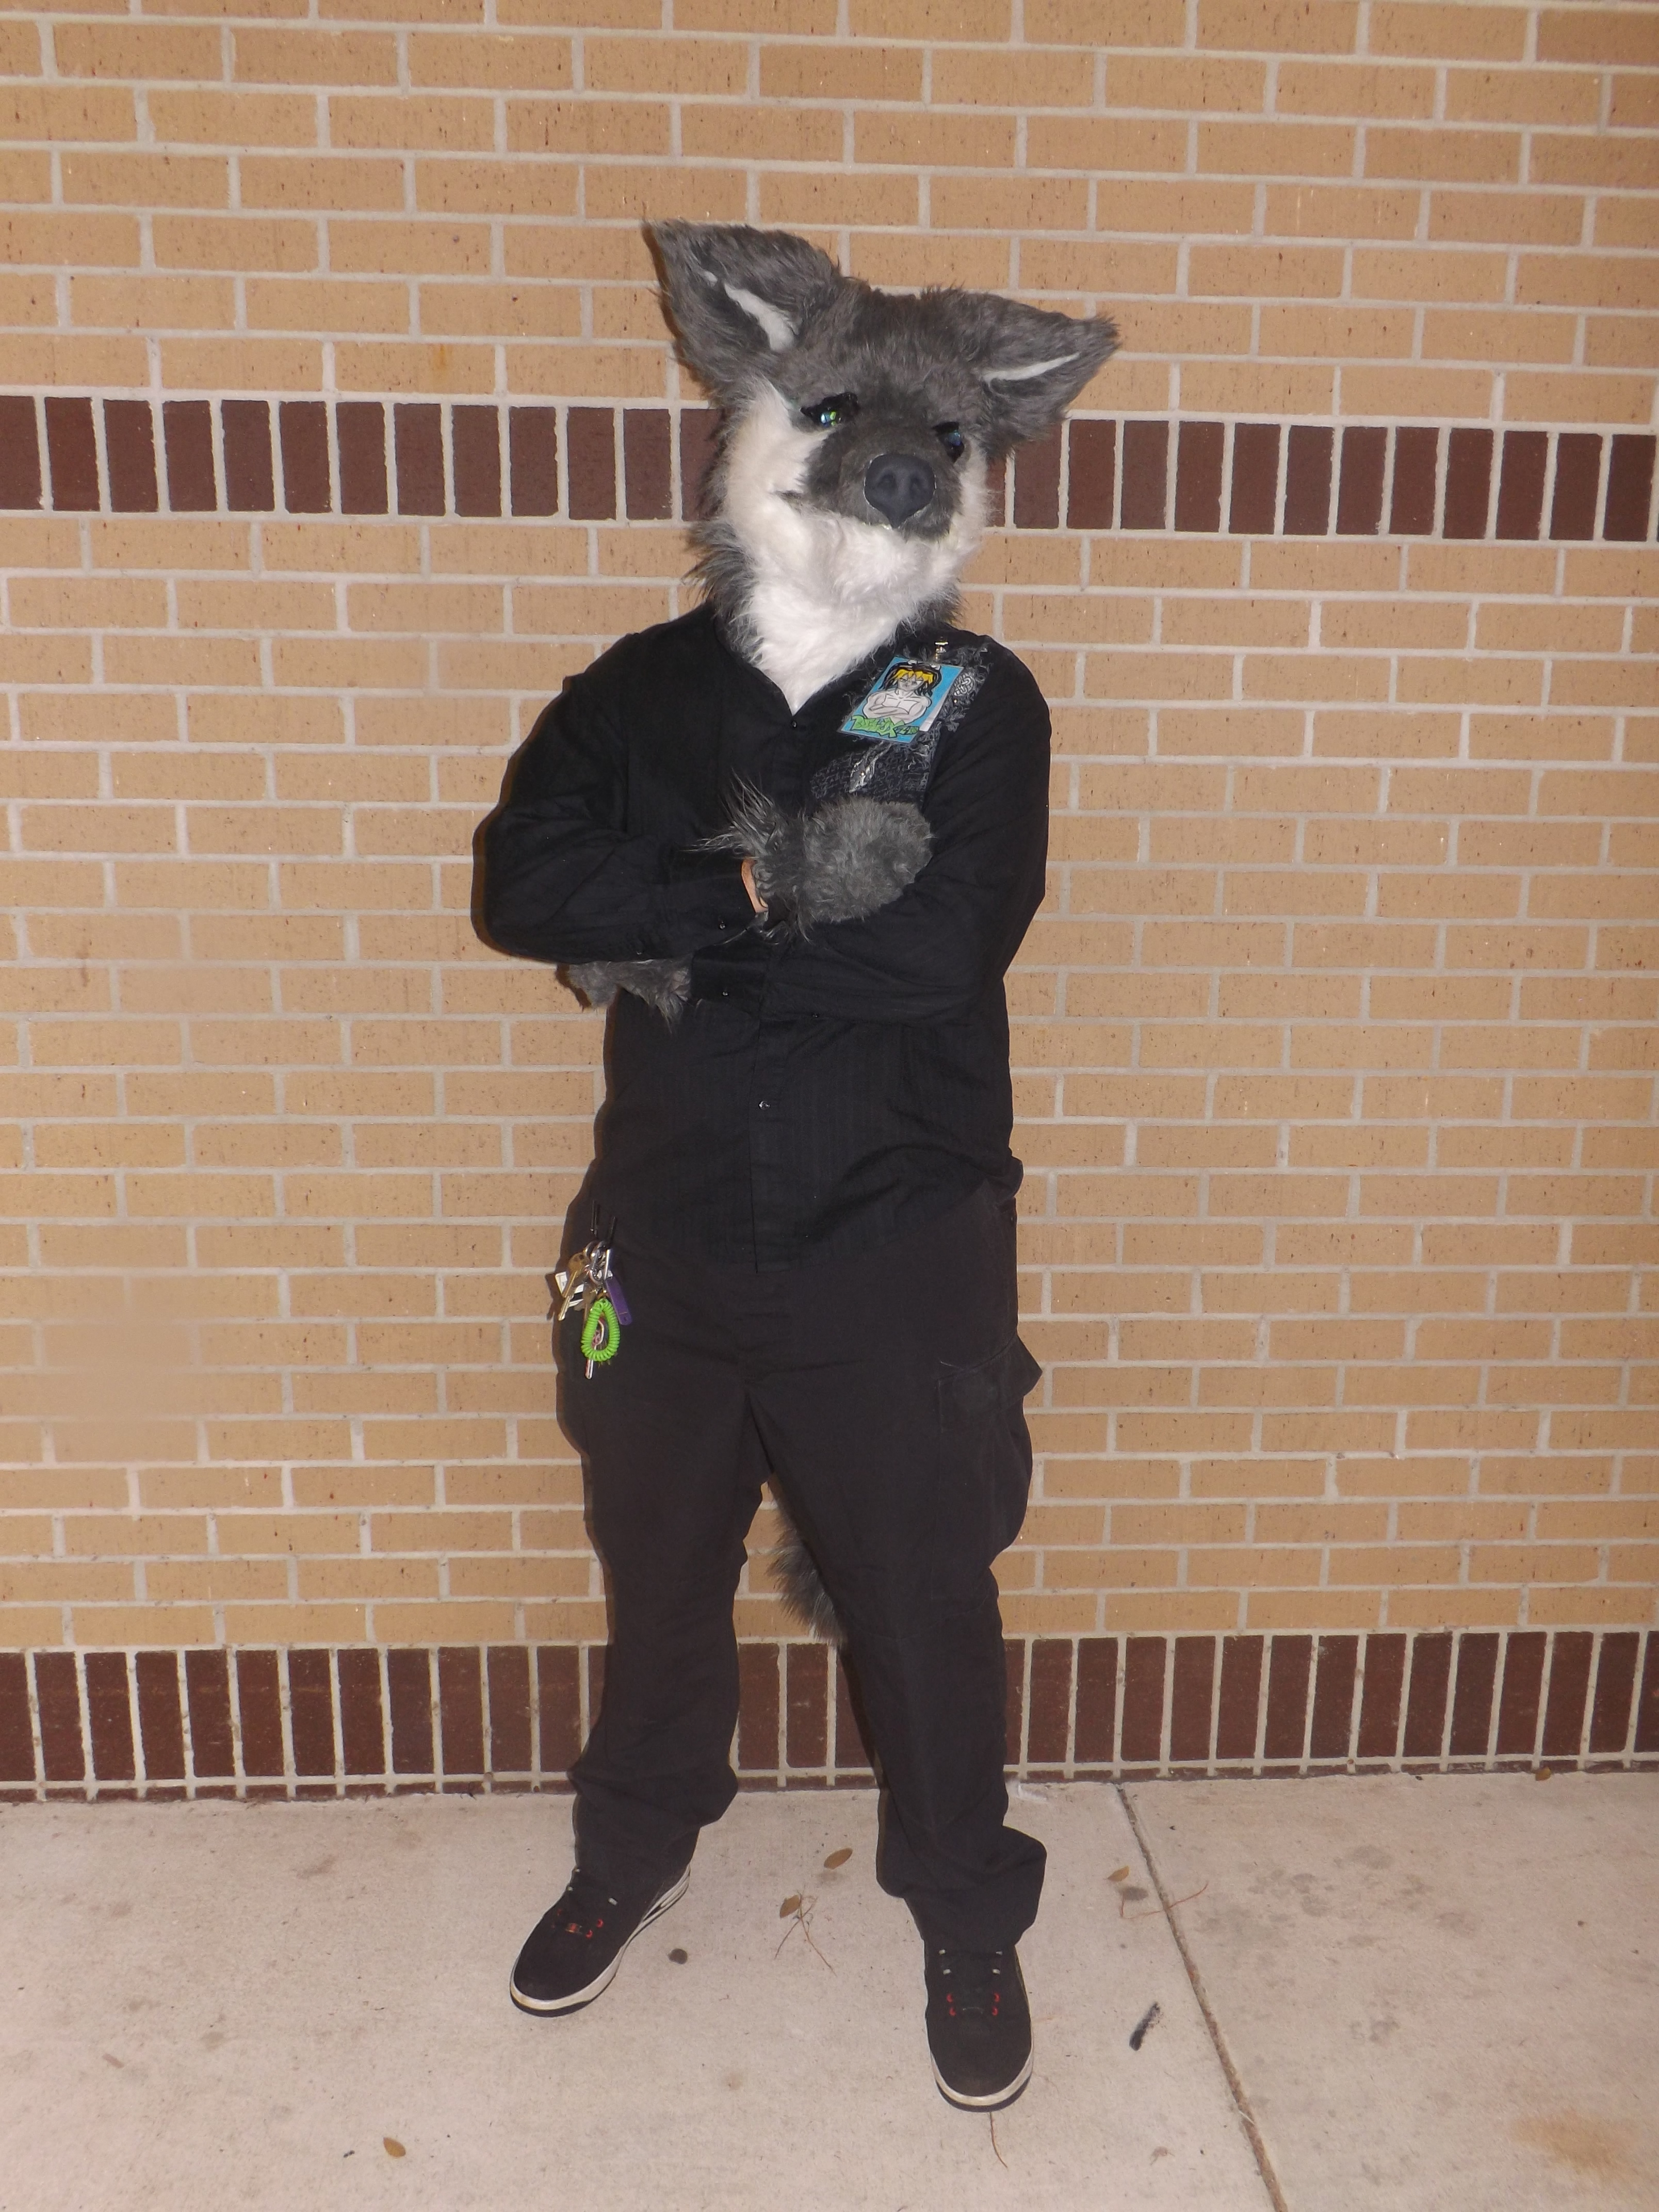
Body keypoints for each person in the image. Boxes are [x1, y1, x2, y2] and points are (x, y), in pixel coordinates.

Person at [479, 221, 1115, 2111]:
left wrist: (666, 924)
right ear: (764, 418)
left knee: (921, 1590)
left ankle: (967, 1906)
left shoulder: (981, 706)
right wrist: (767, 890)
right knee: (655, 1567)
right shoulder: (636, 696)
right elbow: (524, 886)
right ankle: (636, 1840)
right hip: (667, 1232)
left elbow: (943, 953)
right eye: (837, 417)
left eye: (931, 439)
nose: (886, 460)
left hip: (894, 1241)